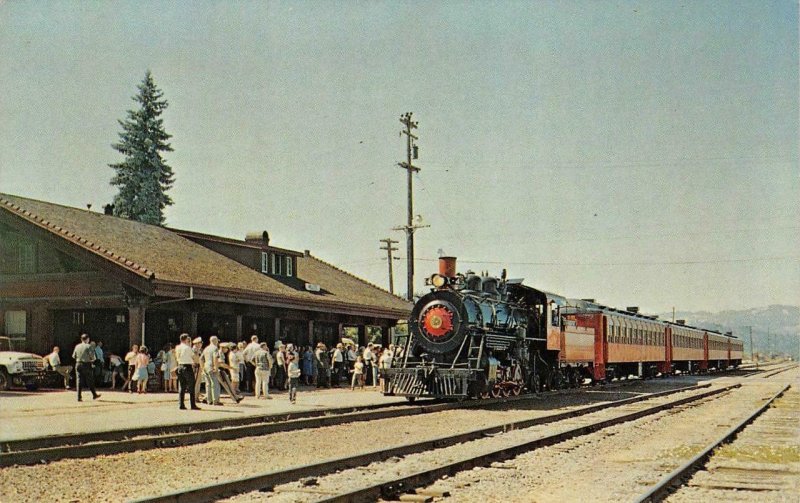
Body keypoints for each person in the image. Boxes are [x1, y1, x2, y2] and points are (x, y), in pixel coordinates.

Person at [175, 334, 200, 410]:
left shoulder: (177, 347)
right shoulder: (187, 348)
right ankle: (192, 405)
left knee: (182, 386)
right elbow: (194, 357)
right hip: (187, 367)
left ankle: (181, 404)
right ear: (186, 339)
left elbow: (177, 357)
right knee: (191, 386)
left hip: (180, 366)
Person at [72, 334, 100, 401]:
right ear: (87, 339)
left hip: (78, 363)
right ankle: (94, 394)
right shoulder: (88, 346)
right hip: (86, 364)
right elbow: (93, 357)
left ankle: (79, 397)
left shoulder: (77, 346)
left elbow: (73, 356)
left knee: (79, 380)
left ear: (81, 339)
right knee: (90, 380)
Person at [202, 336, 222, 405]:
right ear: (215, 341)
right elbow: (215, 358)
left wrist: (202, 368)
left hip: (205, 367)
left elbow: (201, 359)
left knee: (208, 384)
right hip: (211, 366)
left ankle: (209, 400)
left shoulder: (206, 348)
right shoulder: (215, 348)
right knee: (215, 384)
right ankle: (215, 401)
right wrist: (215, 367)